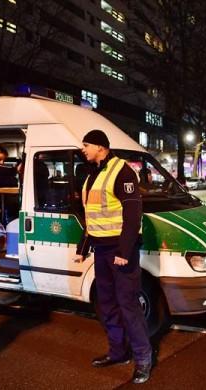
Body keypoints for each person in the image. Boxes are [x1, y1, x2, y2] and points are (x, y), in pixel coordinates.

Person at [72, 129, 152, 384]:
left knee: (128, 305)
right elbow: (93, 216)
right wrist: (83, 248)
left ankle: (143, 360)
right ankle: (118, 352)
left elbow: (132, 215)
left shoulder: (123, 171)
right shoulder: (93, 174)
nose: (83, 149)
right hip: (102, 250)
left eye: (86, 145)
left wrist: (124, 251)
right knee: (106, 304)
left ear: (100, 147)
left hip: (120, 252)